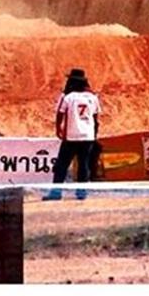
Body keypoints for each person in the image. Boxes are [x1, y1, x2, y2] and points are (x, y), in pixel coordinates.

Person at [46, 68, 101, 200]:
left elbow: (60, 114)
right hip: (87, 136)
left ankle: (56, 192)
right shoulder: (92, 97)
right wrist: (94, 134)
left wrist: (58, 129)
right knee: (84, 164)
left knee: (62, 165)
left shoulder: (68, 97)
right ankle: (81, 193)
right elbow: (95, 118)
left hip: (71, 136)